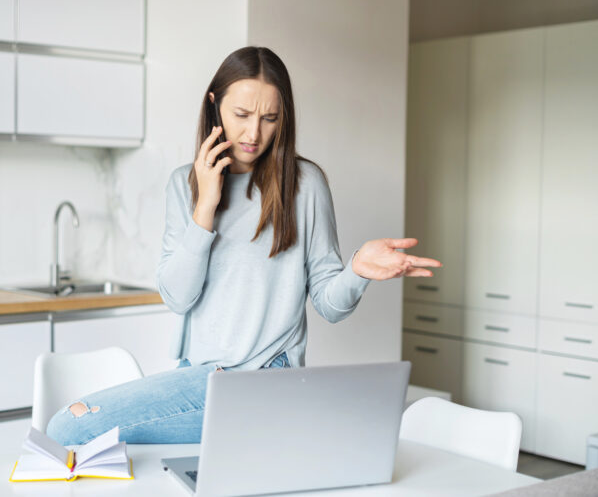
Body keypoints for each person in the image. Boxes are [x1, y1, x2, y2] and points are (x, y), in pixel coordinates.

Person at [46, 46, 441, 446]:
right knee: (93, 440)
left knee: (70, 428)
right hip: (197, 376)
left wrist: (356, 269)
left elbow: (328, 305)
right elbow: (178, 297)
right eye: (242, 116)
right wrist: (206, 206)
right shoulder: (184, 185)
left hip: (265, 381)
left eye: (270, 118)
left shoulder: (305, 185)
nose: (254, 134)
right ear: (214, 104)